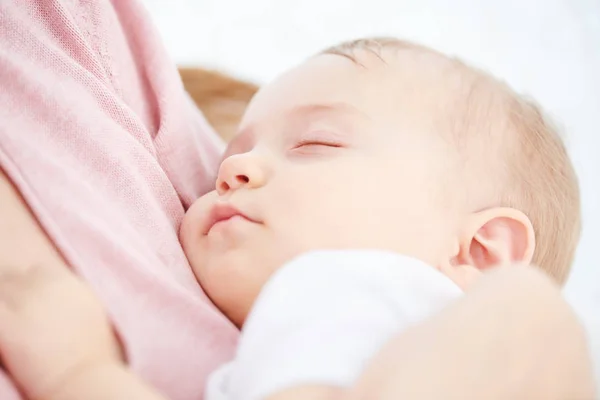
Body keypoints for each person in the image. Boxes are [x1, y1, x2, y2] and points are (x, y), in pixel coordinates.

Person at [0, 31, 595, 400]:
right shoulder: (262, 356)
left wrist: (75, 372)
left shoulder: (485, 307)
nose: (236, 171)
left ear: (482, 252)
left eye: (316, 144)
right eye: (227, 160)